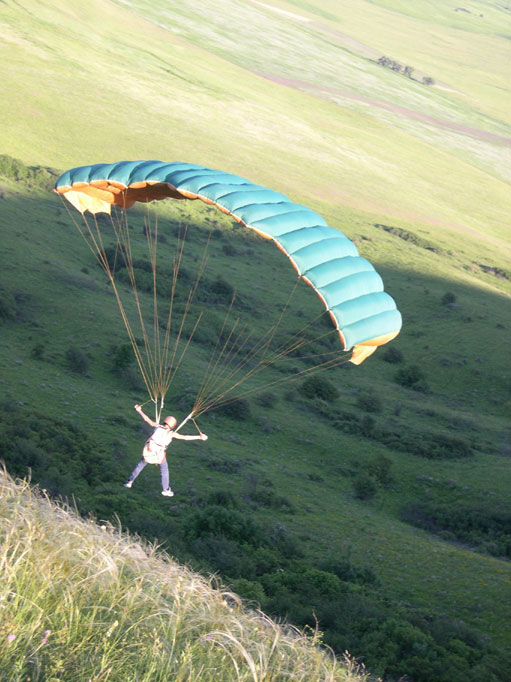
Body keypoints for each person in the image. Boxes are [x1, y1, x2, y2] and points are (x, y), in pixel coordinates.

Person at [124, 404, 207, 496]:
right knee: (164, 470)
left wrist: (139, 410)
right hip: (158, 456)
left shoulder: (157, 427)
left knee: (140, 465)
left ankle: (129, 481)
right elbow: (185, 437)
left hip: (148, 451)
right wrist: (199, 437)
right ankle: (165, 489)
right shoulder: (171, 434)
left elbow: (147, 420)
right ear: (172, 425)